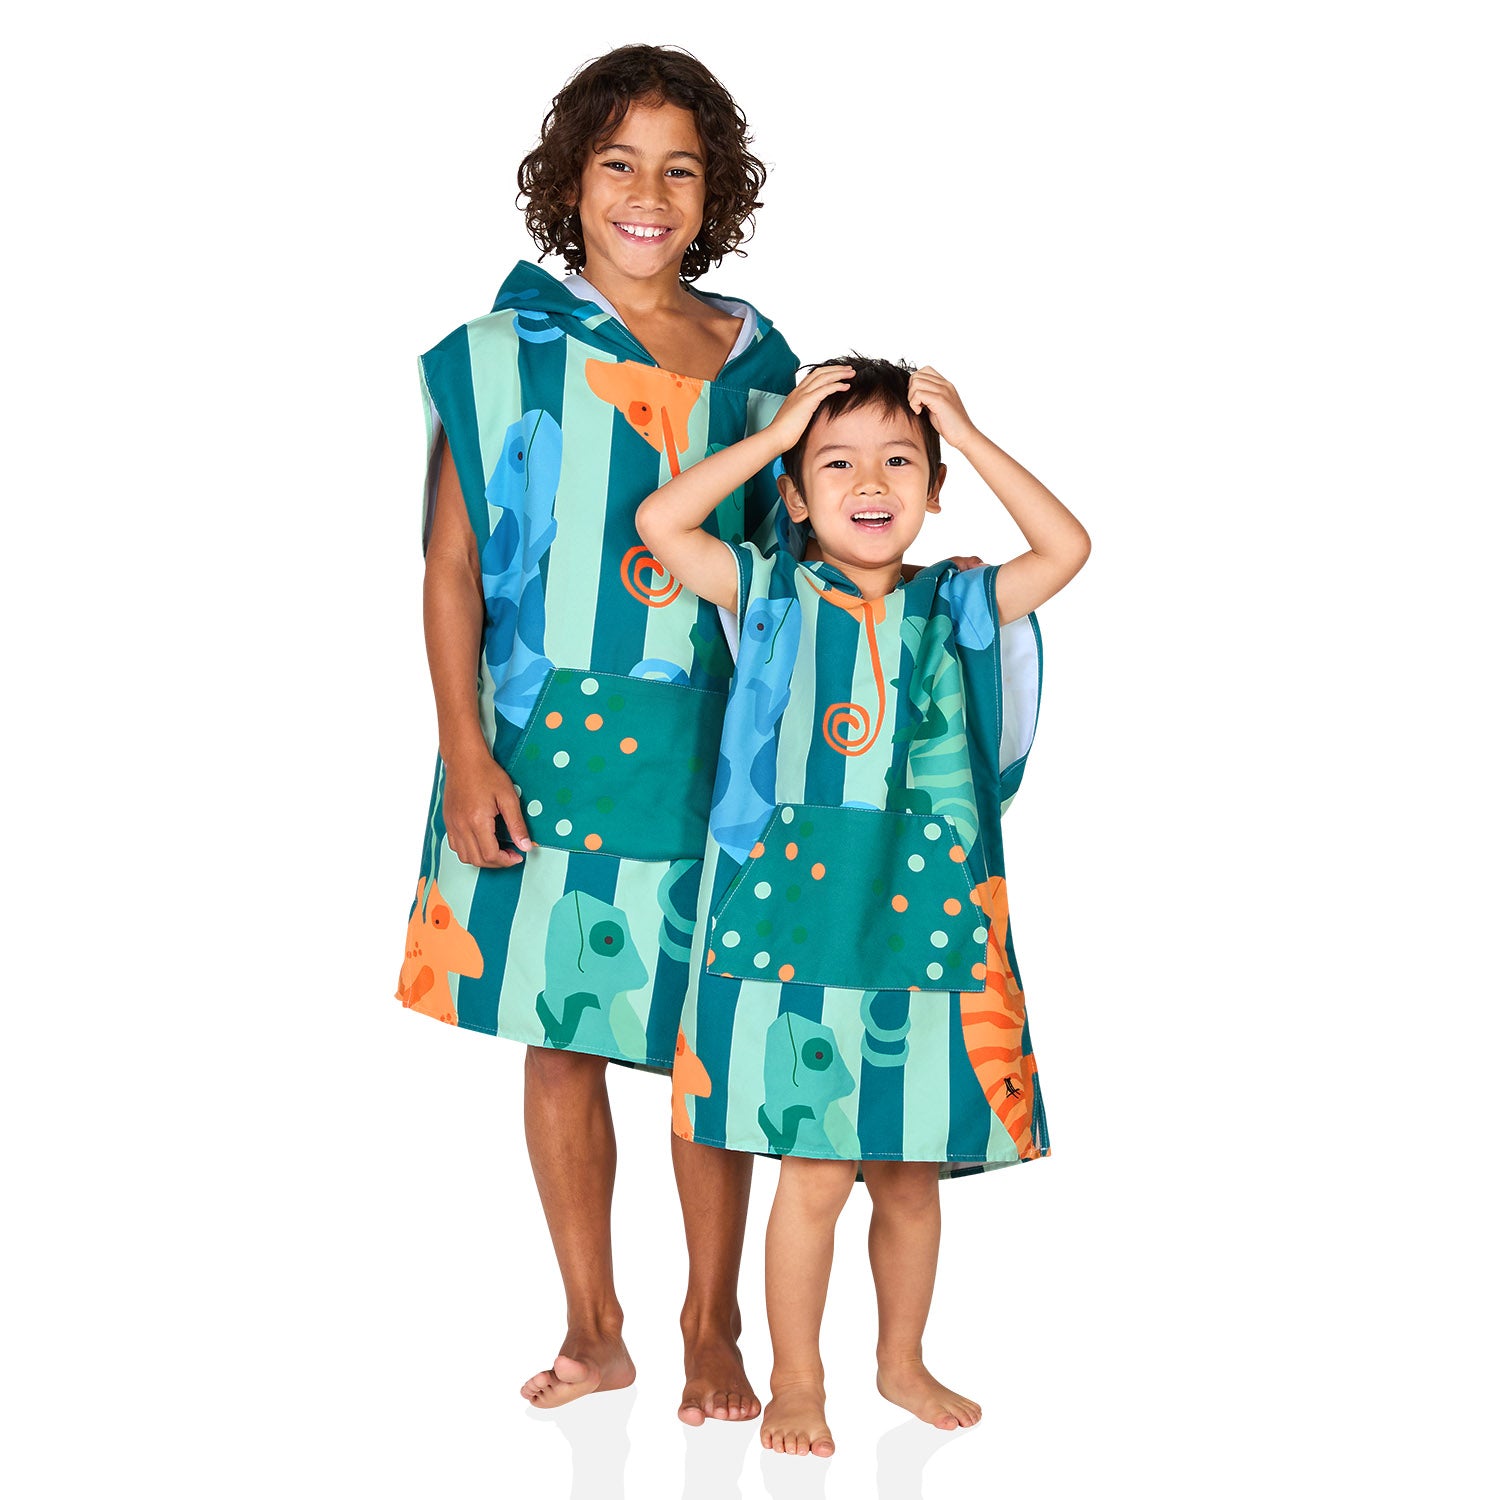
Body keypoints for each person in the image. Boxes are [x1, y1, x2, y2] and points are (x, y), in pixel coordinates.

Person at [395, 45, 799, 1422]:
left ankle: (711, 1325)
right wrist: (466, 753)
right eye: (619, 163)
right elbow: (451, 566)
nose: (648, 195)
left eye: (680, 170)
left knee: (707, 1035)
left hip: (712, 747)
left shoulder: (765, 368)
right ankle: (594, 1324)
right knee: (561, 1033)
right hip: (543, 740)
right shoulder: (501, 354)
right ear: (570, 182)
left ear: (714, 195)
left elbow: (802, 565)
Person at [637, 356, 1090, 1456]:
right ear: (796, 497)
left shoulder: (958, 603)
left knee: (909, 1170)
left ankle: (902, 1358)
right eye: (835, 465)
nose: (871, 482)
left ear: (933, 489)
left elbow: (1067, 548)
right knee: (814, 1171)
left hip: (926, 916)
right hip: (798, 920)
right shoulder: (770, 591)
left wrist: (965, 432)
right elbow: (661, 522)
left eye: (900, 461)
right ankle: (798, 1378)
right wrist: (776, 434)